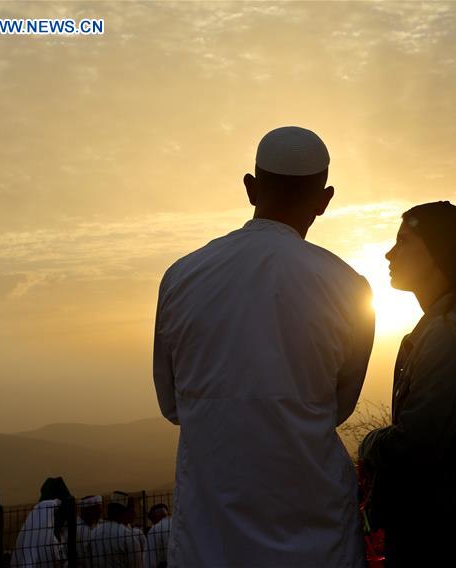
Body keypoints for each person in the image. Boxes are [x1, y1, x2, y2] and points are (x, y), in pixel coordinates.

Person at [153, 126, 375, 567]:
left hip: (208, 535)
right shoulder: (350, 288)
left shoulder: (182, 276)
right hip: (317, 532)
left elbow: (171, 403)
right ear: (324, 199)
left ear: (250, 188)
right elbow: (339, 406)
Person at [358, 201, 456, 567]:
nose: (389, 252)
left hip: (442, 542)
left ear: (436, 252)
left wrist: (368, 445)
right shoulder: (449, 328)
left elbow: (417, 444)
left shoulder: (447, 335)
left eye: (404, 241)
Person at [91, 492, 143, 568]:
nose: (134, 512)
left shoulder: (94, 532)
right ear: (124, 512)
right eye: (131, 509)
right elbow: (136, 564)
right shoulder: (127, 535)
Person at [77, 496, 103, 568]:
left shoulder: (101, 524)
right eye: (98, 511)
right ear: (89, 510)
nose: (100, 514)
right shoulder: (76, 530)